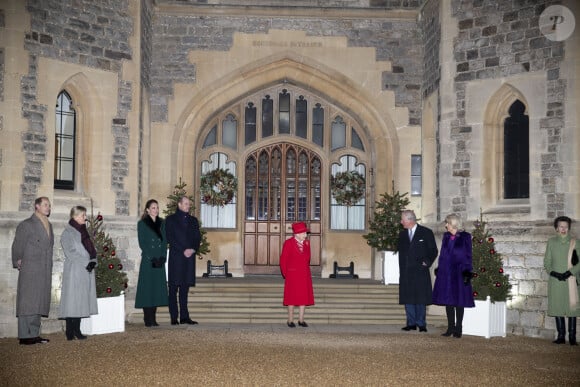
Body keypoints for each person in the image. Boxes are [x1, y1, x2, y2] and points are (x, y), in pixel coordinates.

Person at [11, 197, 54, 345]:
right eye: (45, 205)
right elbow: (17, 244)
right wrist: (17, 259)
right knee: (28, 301)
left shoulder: (49, 225)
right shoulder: (26, 225)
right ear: (37, 206)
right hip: (30, 267)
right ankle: (24, 335)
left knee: (39, 300)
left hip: (44, 268)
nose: (48, 207)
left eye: (49, 205)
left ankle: (34, 334)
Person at [432, 214, 475, 338]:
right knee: (448, 300)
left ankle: (458, 328)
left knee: (458, 300)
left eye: (448, 223)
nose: (446, 225)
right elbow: (442, 254)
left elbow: (468, 255)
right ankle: (450, 327)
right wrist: (440, 268)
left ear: (454, 223)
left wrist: (467, 271)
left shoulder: (466, 237)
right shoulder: (446, 236)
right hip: (446, 271)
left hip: (459, 271)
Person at [59, 206, 98, 340]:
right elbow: (70, 252)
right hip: (75, 271)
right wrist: (86, 262)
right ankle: (70, 330)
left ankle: (77, 329)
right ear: (75, 216)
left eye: (85, 215)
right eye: (83, 215)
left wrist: (93, 260)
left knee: (81, 300)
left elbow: (91, 250)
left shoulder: (84, 232)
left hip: (85, 271)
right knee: (73, 301)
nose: (85, 218)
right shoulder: (67, 233)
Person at [397, 209, 438, 332]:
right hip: (406, 272)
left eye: (402, 220)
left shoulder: (426, 232)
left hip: (420, 271)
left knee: (420, 298)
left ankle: (421, 323)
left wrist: (427, 261)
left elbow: (433, 250)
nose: (401, 222)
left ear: (409, 220)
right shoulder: (402, 235)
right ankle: (411, 323)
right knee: (408, 298)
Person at [165, 195, 201, 325]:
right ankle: (174, 317)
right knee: (173, 289)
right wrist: (183, 250)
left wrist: (193, 249)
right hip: (176, 258)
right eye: (186, 203)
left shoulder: (193, 220)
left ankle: (185, 317)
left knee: (184, 289)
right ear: (179, 205)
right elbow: (170, 238)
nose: (188, 205)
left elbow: (197, 238)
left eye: (189, 204)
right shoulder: (170, 220)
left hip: (189, 259)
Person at [544, 215, 580, 345]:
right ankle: (560, 336)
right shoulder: (551, 242)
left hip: (571, 279)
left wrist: (570, 272)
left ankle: (572, 337)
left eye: (565, 226)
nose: (563, 229)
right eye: (561, 226)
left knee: (572, 308)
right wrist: (553, 272)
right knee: (557, 306)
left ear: (569, 228)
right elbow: (547, 261)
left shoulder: (576, 242)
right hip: (556, 280)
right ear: (556, 228)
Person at [135, 199, 169, 327]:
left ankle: (153, 319)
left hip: (159, 261)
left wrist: (163, 257)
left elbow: (165, 241)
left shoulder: (162, 223)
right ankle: (147, 318)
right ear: (147, 210)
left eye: (157, 207)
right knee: (147, 289)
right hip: (148, 261)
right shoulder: (142, 224)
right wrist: (152, 257)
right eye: (153, 208)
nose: (156, 210)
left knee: (156, 289)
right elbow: (142, 243)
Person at [280, 222, 315, 327]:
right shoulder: (288, 243)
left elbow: (308, 258)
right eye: (304, 233)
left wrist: (304, 245)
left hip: (304, 274)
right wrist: (286, 274)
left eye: (306, 233)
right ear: (297, 233)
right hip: (292, 275)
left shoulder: (307, 243)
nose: (306, 235)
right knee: (291, 298)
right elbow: (283, 260)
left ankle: (301, 320)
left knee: (303, 297)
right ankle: (290, 320)